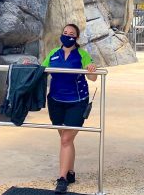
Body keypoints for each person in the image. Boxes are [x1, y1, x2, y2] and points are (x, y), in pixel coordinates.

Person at [41, 23, 98, 194]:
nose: (67, 35)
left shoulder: (82, 55)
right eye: (65, 32)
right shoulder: (53, 53)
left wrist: (91, 69)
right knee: (66, 139)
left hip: (77, 101)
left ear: (76, 37)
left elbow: (93, 78)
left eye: (71, 33)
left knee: (66, 139)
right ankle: (70, 172)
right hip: (56, 101)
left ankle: (62, 179)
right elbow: (42, 71)